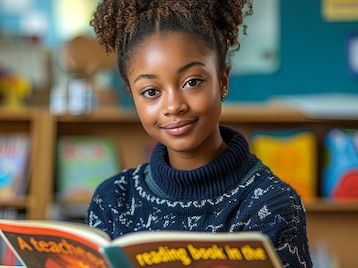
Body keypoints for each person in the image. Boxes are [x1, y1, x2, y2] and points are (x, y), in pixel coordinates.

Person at [85, 1, 313, 267]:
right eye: (151, 92)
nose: (173, 106)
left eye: (192, 82)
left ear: (222, 81)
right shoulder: (113, 199)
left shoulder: (271, 204)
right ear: (132, 97)